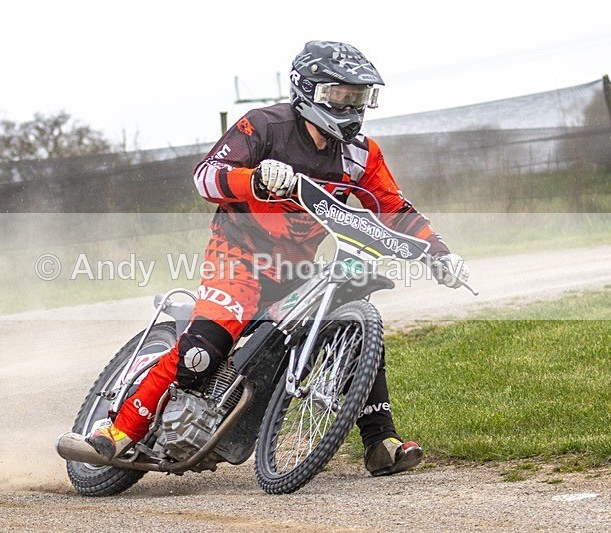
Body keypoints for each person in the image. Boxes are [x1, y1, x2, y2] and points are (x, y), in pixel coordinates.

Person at [87, 40, 469, 477]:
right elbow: (205, 176)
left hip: (296, 267)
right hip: (237, 255)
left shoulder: (362, 153)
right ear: (307, 91)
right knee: (205, 349)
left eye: (359, 98)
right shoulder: (263, 127)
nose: (350, 108)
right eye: (339, 96)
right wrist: (256, 178)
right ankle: (118, 431)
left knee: (353, 325)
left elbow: (395, 209)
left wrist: (440, 254)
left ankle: (380, 441)